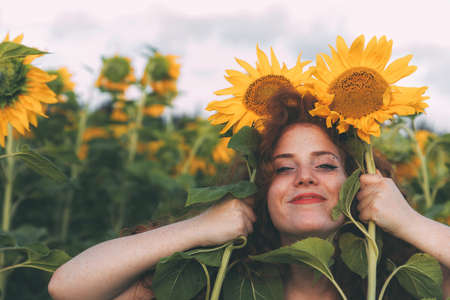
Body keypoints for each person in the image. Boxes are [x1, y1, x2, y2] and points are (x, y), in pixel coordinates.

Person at [48, 91, 450, 300]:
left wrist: (410, 223)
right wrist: (198, 228)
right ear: (260, 191)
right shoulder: (221, 282)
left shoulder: (396, 285)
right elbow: (68, 287)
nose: (305, 177)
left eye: (326, 165)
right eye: (283, 167)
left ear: (362, 185)